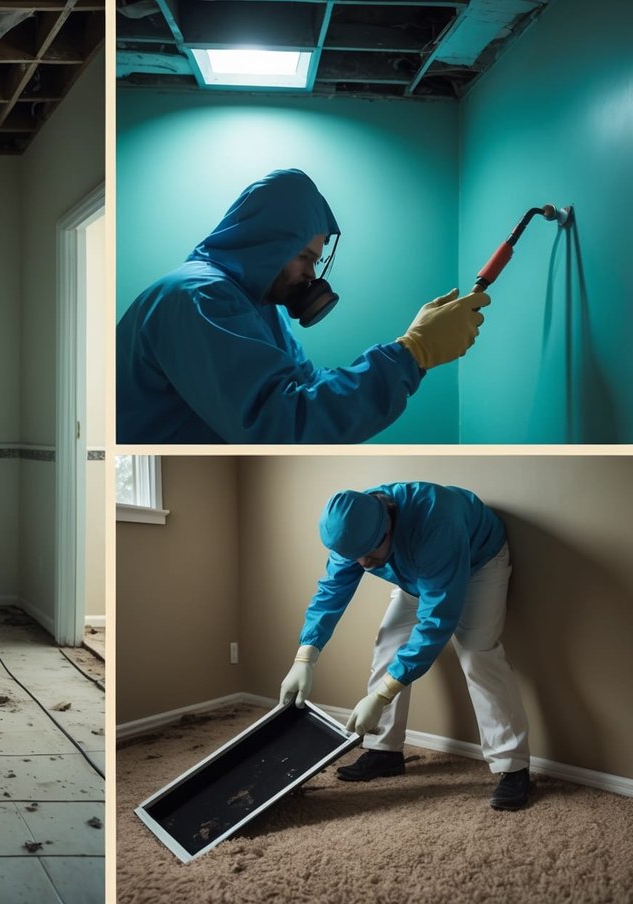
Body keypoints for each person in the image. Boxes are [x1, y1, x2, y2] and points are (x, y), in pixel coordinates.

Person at [116, 168, 490, 443]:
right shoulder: (200, 298)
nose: (312, 275)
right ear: (264, 243)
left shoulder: (258, 305)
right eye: (303, 257)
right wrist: (411, 354)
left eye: (316, 260)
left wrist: (407, 348)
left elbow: (304, 386)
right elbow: (284, 425)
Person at [279, 484, 531, 810]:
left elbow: (436, 622)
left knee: (476, 654)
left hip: (478, 562)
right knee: (389, 641)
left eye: (371, 552)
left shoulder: (436, 521)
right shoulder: (352, 528)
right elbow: (331, 592)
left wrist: (382, 695)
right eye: (357, 557)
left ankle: (512, 767)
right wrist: (305, 657)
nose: (365, 563)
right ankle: (384, 751)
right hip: (415, 570)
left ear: (388, 522)